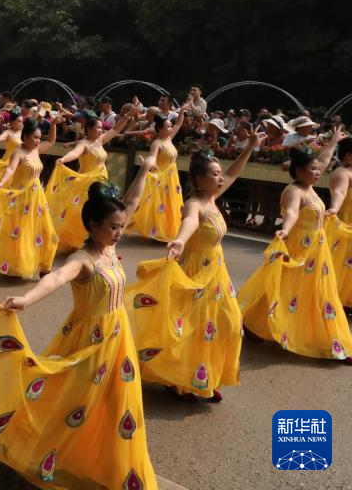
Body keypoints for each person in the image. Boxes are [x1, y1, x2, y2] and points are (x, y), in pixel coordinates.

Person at [0, 161, 157, 490]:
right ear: (92, 225)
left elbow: (131, 201)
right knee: (72, 400)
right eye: (114, 227)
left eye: (121, 226)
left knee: (117, 404)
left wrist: (145, 171)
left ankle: (110, 464)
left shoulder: (110, 248)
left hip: (119, 339)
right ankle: (46, 453)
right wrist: (26, 300)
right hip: (89, 340)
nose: (120, 232)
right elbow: (56, 279)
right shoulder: (82, 260)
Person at [128, 135, 264, 404]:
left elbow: (233, 171)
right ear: (200, 180)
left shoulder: (213, 197)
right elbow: (189, 221)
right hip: (194, 273)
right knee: (190, 329)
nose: (220, 178)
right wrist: (179, 239)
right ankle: (182, 380)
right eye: (214, 174)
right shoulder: (195, 204)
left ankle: (205, 376)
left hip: (217, 274)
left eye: (219, 174)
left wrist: (249, 147)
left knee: (228, 324)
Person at [239, 133, 352, 361]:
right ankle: (252, 322)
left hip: (317, 250)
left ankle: (334, 341)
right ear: (299, 171)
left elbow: (323, 160)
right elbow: (291, 213)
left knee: (320, 292)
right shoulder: (294, 191)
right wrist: (285, 230)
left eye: (318, 169)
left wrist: (333, 142)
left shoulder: (309, 186)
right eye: (313, 169)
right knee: (284, 288)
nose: (319, 171)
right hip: (299, 248)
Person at [0, 117, 61, 279]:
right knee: (20, 234)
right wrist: (0, 182)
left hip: (38, 199)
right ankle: (17, 265)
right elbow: (11, 170)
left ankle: (44, 265)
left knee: (47, 232)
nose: (37, 140)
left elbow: (51, 140)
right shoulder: (18, 153)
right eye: (34, 137)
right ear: (26, 137)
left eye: (38, 137)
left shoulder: (36, 150)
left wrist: (54, 124)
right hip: (21, 198)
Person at [47, 111, 130, 251]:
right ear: (88, 129)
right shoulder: (84, 144)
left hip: (102, 182)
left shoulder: (99, 140)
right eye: (97, 127)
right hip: (87, 184)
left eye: (101, 127)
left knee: (104, 212)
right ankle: (82, 240)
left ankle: (100, 239)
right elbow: (75, 153)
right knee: (85, 213)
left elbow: (115, 130)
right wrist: (64, 159)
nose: (100, 130)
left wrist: (126, 117)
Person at [129, 107, 189, 241]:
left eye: (170, 126)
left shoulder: (169, 139)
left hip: (172, 177)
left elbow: (178, 124)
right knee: (160, 204)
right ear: (160, 129)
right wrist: (151, 167)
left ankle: (169, 231)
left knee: (171, 203)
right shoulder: (157, 143)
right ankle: (159, 231)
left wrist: (182, 111)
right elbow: (152, 159)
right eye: (167, 127)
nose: (170, 128)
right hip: (162, 176)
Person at [326, 138, 352, 308]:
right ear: (349, 155)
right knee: (342, 263)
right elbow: (340, 192)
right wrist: (334, 208)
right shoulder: (343, 173)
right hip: (345, 222)